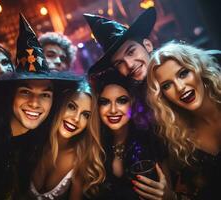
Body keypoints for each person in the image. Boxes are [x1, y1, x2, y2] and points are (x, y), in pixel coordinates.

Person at [0, 13, 80, 200]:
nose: (35, 103)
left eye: (45, 94)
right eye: (25, 91)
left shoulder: (37, 134)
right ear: (12, 91)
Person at [147, 41, 221, 199]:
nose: (180, 87)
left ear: (198, 68)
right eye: (167, 85)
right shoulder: (181, 140)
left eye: (183, 73)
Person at [92, 70, 172, 200]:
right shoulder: (93, 144)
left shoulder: (152, 139)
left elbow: (168, 190)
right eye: (104, 102)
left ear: (132, 102)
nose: (113, 110)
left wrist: (168, 196)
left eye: (122, 101)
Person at [25, 79, 105, 200]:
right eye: (71, 107)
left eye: (86, 115)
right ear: (61, 104)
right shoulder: (34, 141)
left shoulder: (80, 161)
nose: (76, 118)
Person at [84, 7, 156, 129]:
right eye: (119, 63)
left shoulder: (177, 74)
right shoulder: (134, 103)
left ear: (148, 45)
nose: (129, 64)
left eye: (131, 52)